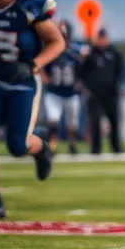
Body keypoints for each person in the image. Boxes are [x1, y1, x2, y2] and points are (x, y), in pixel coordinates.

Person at [0, 0, 64, 218]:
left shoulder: (29, 5)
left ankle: (40, 147)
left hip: (24, 83)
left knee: (16, 145)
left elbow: (56, 43)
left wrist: (33, 65)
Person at [78, 28, 125, 154]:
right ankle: (96, 148)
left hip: (110, 93)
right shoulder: (90, 54)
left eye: (103, 38)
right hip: (94, 93)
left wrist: (116, 85)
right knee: (95, 120)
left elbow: (120, 71)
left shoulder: (114, 53)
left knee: (114, 120)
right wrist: (83, 58)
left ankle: (116, 147)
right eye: (100, 38)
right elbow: (81, 72)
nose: (102, 40)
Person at [43, 19, 84, 155]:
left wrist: (80, 81)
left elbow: (83, 68)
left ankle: (72, 144)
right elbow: (42, 64)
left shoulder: (75, 51)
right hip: (54, 92)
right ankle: (52, 146)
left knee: (72, 123)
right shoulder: (50, 49)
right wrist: (45, 77)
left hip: (71, 92)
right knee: (53, 120)